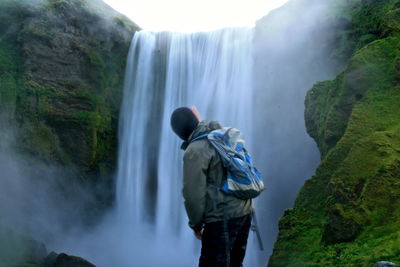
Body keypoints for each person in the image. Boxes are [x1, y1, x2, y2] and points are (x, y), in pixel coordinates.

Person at [170, 106, 253, 267]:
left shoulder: (195, 150)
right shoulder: (222, 134)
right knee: (236, 263)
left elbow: (193, 193)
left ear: (180, 134)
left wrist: (196, 224)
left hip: (222, 217)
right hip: (245, 211)